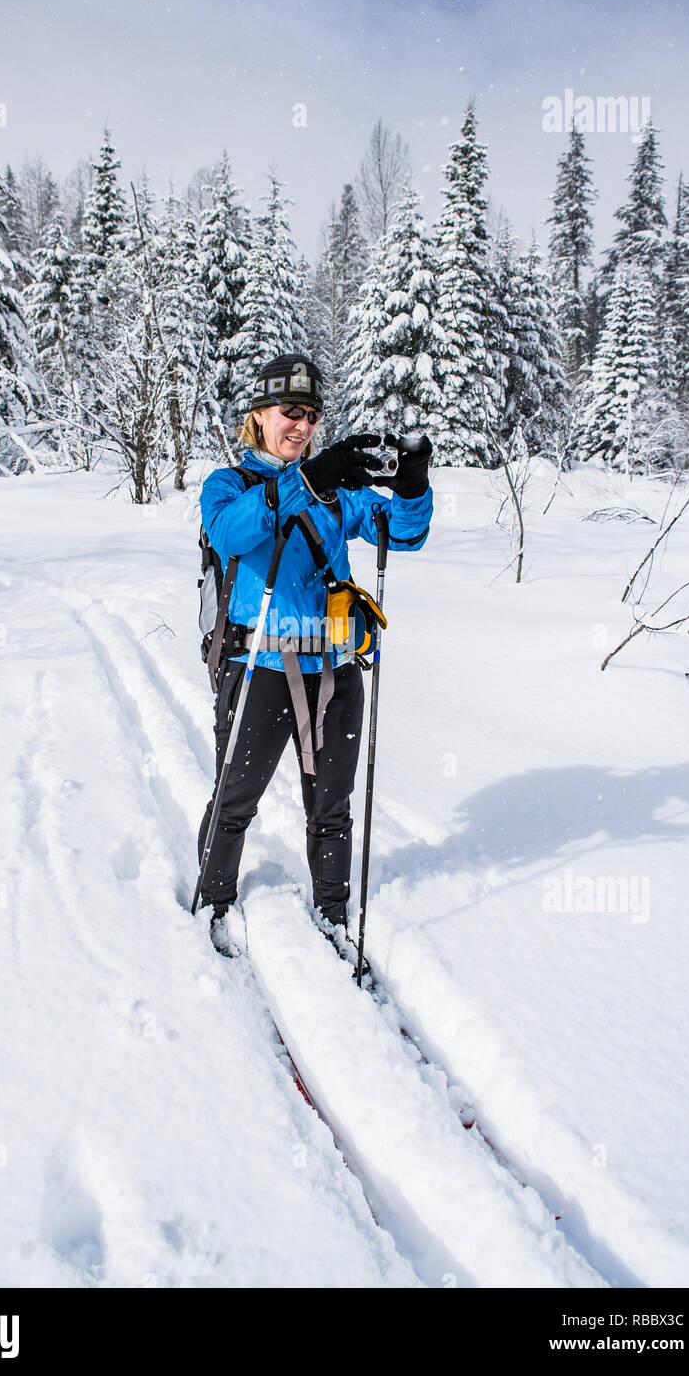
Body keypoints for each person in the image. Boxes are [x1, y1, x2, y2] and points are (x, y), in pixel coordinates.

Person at [197, 353, 433, 958]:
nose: (300, 425)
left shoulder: (335, 495)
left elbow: (402, 533)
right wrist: (307, 480)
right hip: (258, 671)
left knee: (332, 805)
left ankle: (332, 912)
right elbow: (231, 534)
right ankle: (212, 899)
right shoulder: (230, 485)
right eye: (289, 412)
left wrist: (412, 489)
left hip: (334, 669)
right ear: (260, 415)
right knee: (234, 799)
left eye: (311, 415)